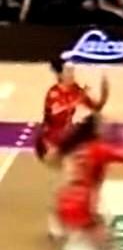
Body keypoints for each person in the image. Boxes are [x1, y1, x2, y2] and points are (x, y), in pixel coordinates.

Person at [56, 113, 123, 250]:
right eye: (103, 126)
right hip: (83, 200)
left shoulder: (77, 148)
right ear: (96, 130)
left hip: (65, 198)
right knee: (105, 242)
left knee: (89, 235)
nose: (106, 128)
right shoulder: (98, 149)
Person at [37, 58, 109, 239]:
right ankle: (57, 220)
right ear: (60, 75)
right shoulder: (53, 94)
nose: (72, 74)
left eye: (72, 70)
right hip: (49, 143)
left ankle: (85, 211)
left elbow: (96, 107)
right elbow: (58, 112)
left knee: (82, 176)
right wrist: (77, 98)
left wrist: (104, 93)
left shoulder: (76, 89)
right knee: (69, 181)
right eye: (68, 71)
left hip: (67, 142)